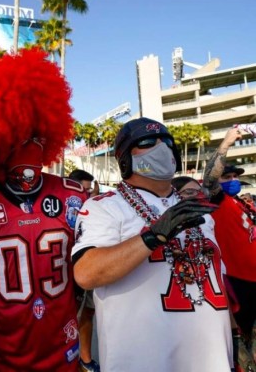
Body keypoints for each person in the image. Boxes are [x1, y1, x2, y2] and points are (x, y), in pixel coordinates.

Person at [0, 47, 88, 370]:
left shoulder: (73, 196)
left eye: (36, 135)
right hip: (3, 355)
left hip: (62, 350)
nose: (29, 145)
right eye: (18, 135)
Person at [72, 117, 232, 371]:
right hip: (142, 361)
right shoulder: (104, 205)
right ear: (125, 157)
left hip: (213, 359)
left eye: (167, 141)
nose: (162, 147)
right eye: (147, 142)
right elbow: (86, 273)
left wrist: (234, 336)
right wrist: (154, 235)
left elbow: (217, 280)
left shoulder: (199, 209)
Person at [203, 126, 256, 370]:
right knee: (242, 353)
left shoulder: (241, 203)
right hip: (237, 282)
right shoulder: (217, 200)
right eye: (227, 177)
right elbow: (210, 179)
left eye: (235, 177)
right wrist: (226, 143)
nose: (233, 180)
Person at [68, 169, 100, 372]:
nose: (86, 195)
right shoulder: (63, 212)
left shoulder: (97, 208)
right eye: (83, 191)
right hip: (69, 275)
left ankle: (85, 360)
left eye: (89, 191)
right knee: (69, 319)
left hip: (94, 269)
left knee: (89, 313)